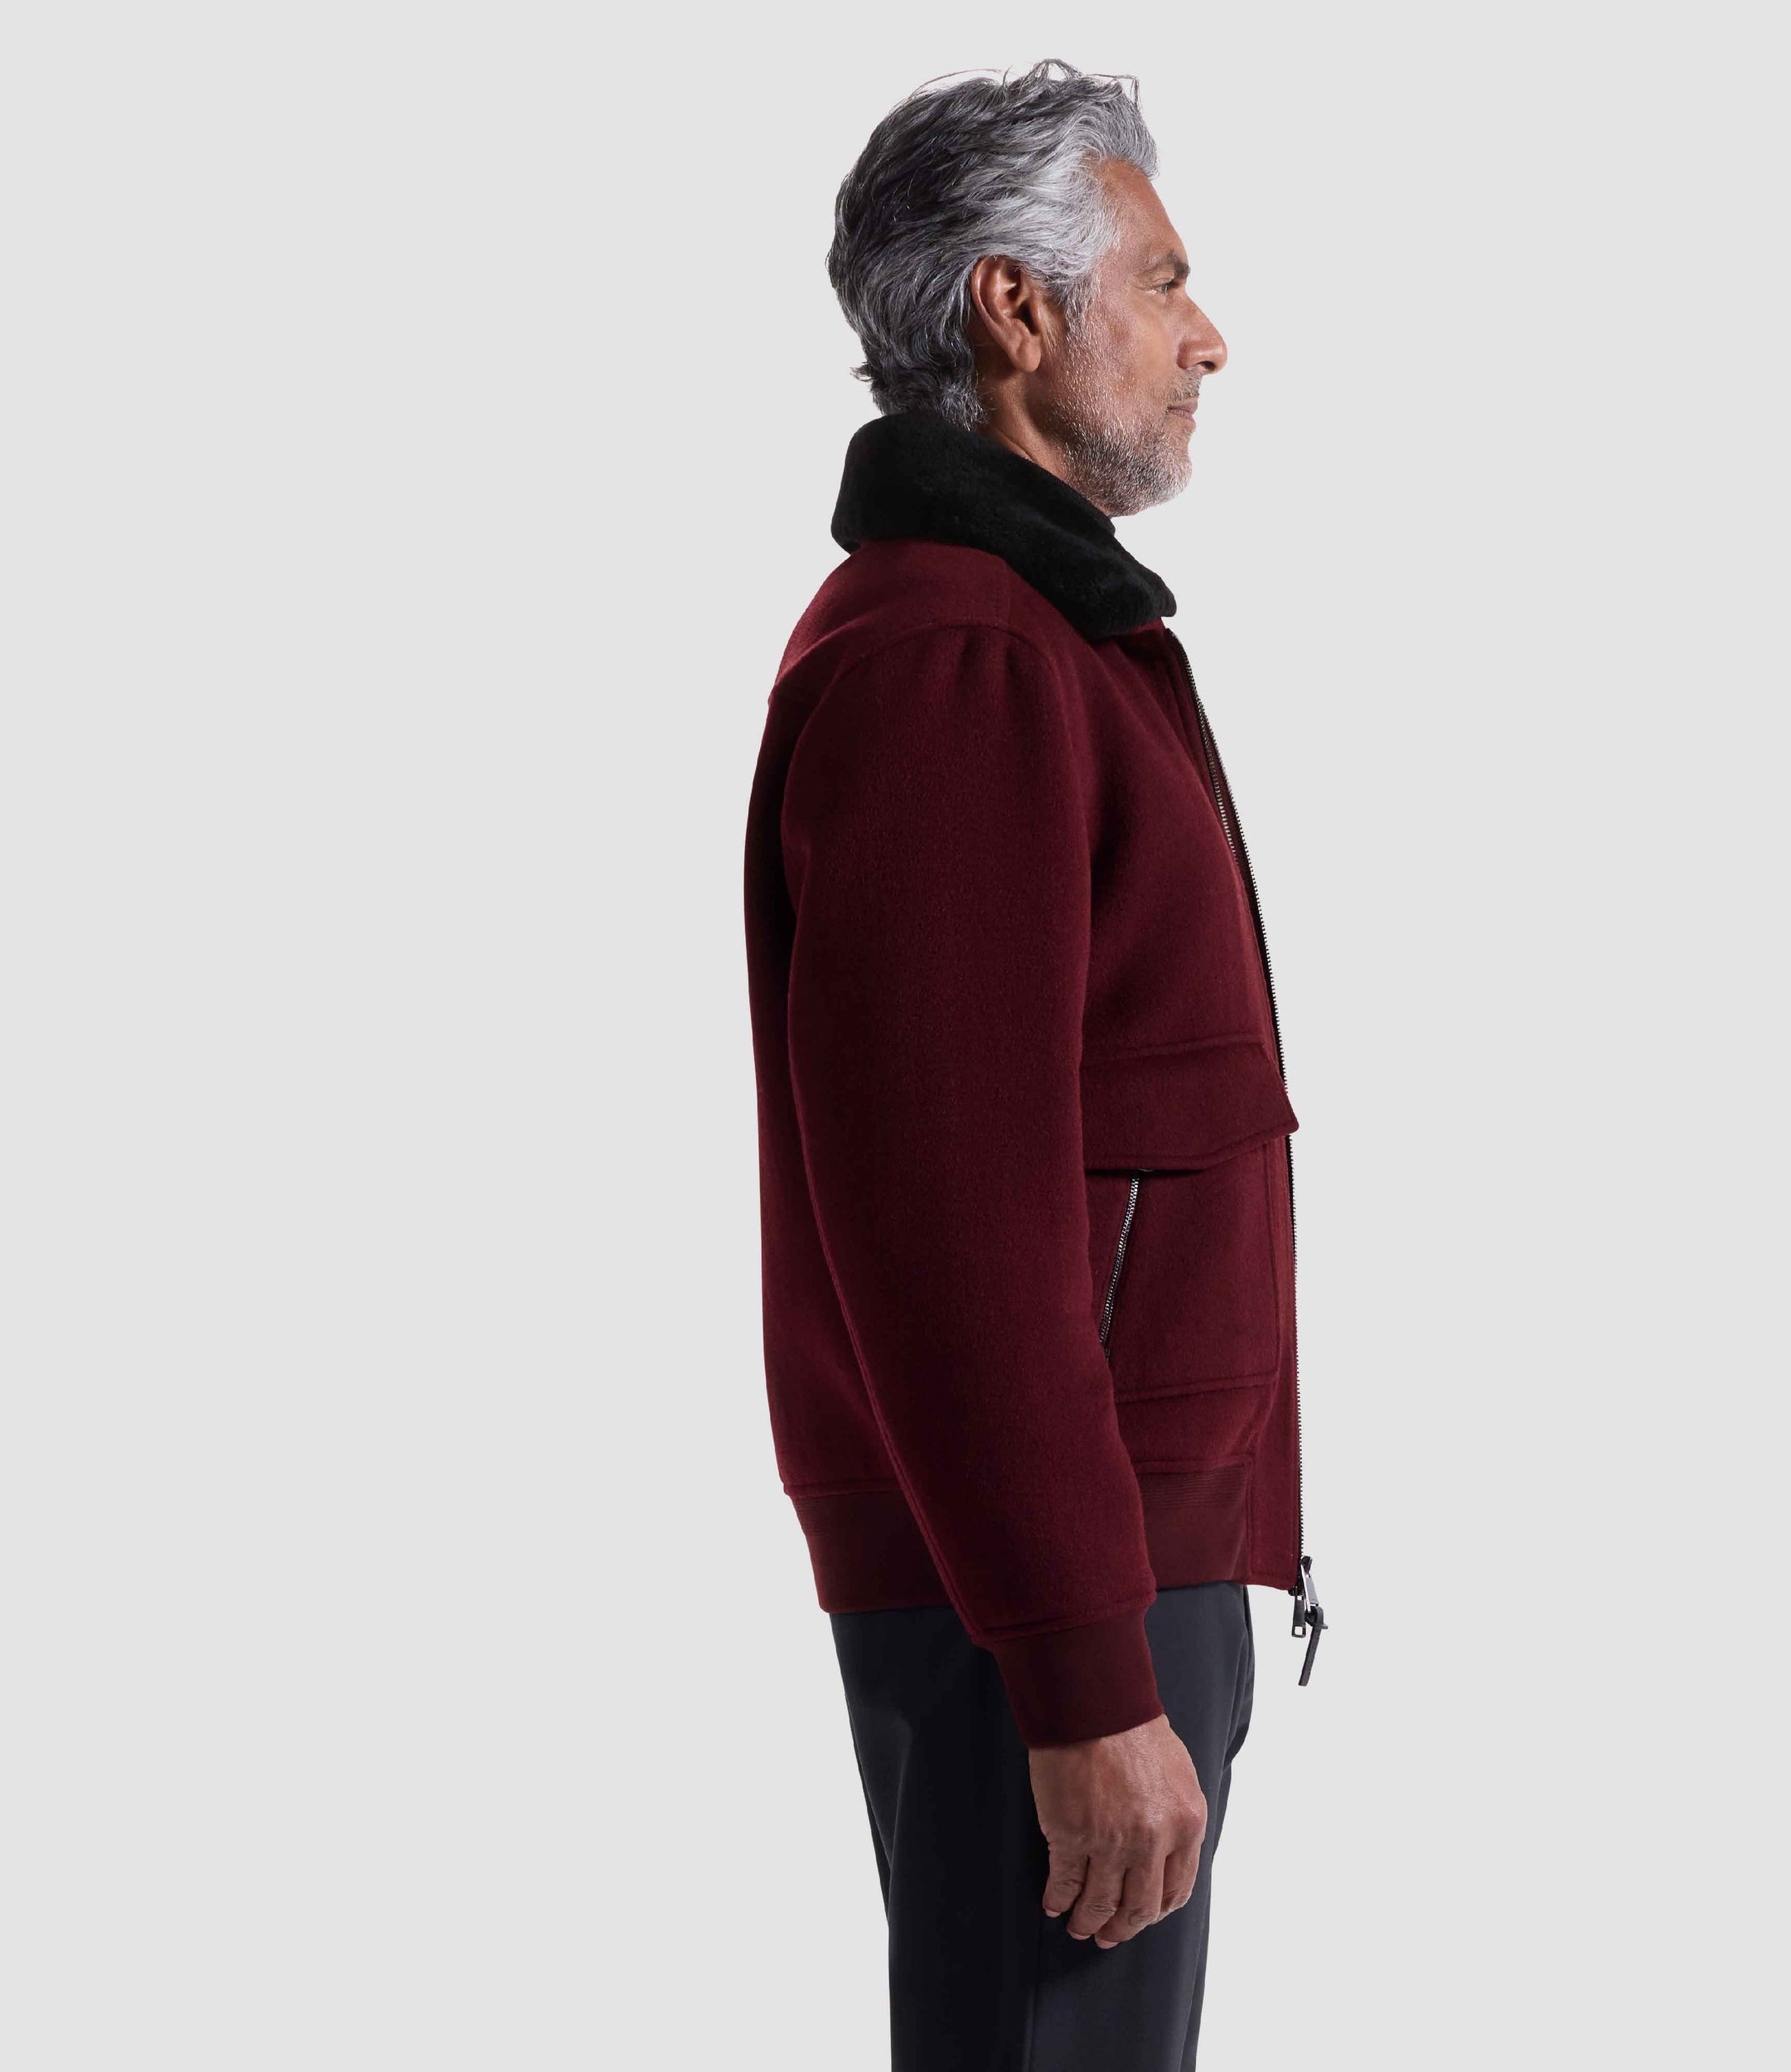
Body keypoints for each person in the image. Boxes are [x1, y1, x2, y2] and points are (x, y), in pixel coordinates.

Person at [741, 59, 1324, 2070]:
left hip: (1086, 1567)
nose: (1203, 334)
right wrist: (1082, 1668)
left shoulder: (1030, 638)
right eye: (1158, 282)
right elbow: (948, 1224)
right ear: (1014, 310)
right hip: (1048, 1589)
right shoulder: (957, 658)